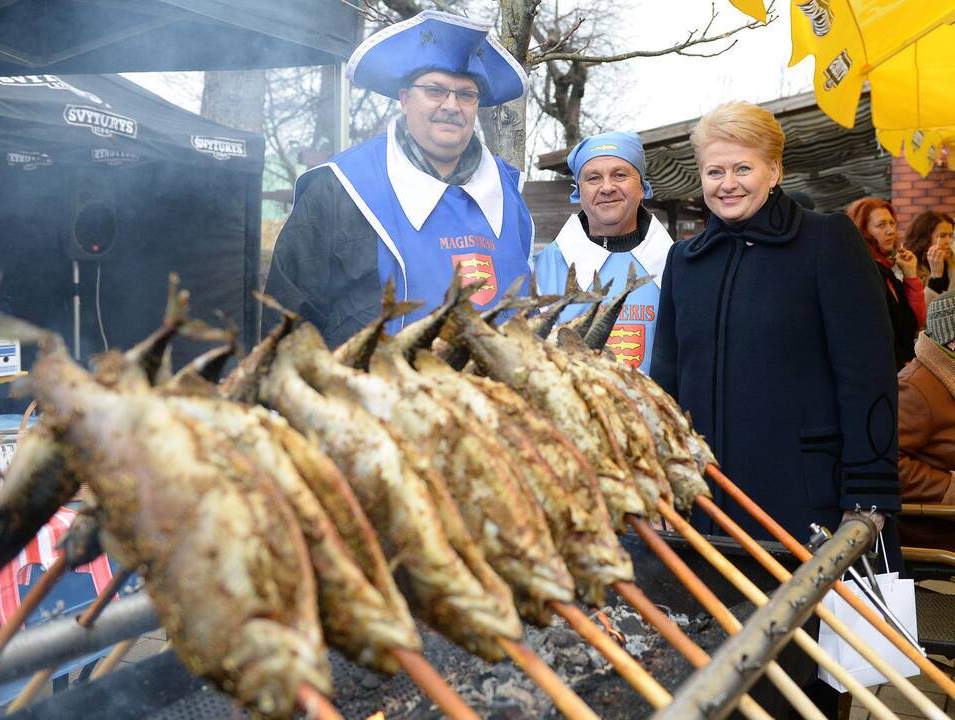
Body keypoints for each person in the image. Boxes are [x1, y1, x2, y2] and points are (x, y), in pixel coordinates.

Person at [651, 100, 901, 555]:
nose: (727, 184)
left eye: (742, 168)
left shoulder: (827, 241)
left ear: (774, 170)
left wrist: (869, 491)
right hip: (703, 504)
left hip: (804, 502)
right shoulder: (684, 262)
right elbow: (665, 383)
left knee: (805, 626)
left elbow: (868, 376)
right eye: (714, 172)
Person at [262, 10, 533, 347]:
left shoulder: (509, 193)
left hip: (497, 396)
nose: (452, 105)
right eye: (435, 90)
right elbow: (287, 322)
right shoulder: (341, 187)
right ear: (404, 98)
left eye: (466, 95)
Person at [533, 131, 672, 372]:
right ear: (579, 191)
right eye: (593, 178)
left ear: (642, 187)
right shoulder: (540, 270)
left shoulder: (676, 265)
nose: (607, 187)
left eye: (620, 175)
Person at [897, 290, 955, 553]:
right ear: (952, 340)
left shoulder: (943, 376)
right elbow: (888, 466)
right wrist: (949, 489)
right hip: (936, 532)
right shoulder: (915, 387)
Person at [845, 198, 926, 369]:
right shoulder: (863, 271)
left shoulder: (886, 269)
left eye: (892, 223)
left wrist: (910, 275)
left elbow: (913, 323)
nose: (891, 231)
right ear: (863, 231)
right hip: (886, 370)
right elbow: (873, 333)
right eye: (881, 225)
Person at [903, 210, 955, 304]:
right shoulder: (908, 268)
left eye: (951, 236)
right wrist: (936, 275)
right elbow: (923, 312)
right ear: (924, 239)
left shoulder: (952, 262)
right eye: (942, 236)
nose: (949, 241)